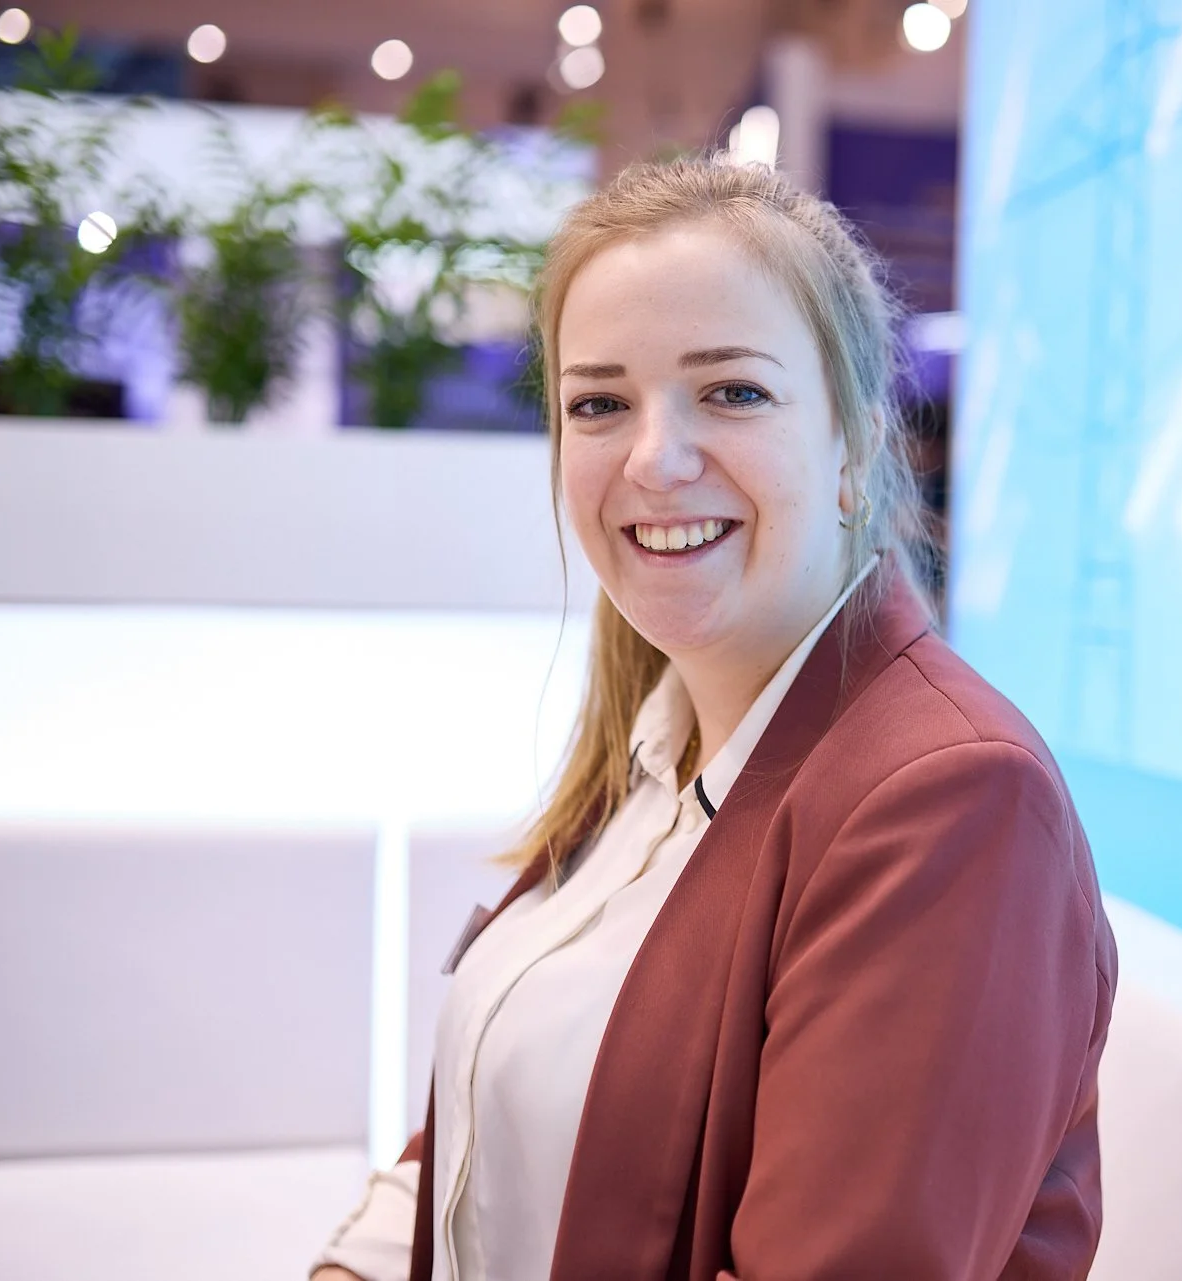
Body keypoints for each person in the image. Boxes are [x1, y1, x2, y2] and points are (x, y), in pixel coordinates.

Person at [312, 157, 1117, 1281]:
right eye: (599, 403)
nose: (654, 459)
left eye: (731, 392)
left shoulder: (951, 803)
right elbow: (483, 1127)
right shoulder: (649, 743)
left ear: (856, 447)